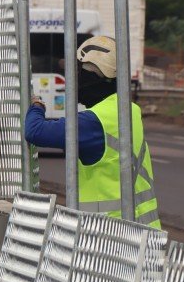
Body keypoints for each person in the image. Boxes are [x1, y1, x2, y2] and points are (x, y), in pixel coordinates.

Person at [24, 35, 161, 228]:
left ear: (95, 75)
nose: (75, 81)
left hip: (111, 236)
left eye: (80, 73)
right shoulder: (127, 109)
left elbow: (35, 131)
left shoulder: (94, 121)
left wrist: (36, 105)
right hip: (142, 231)